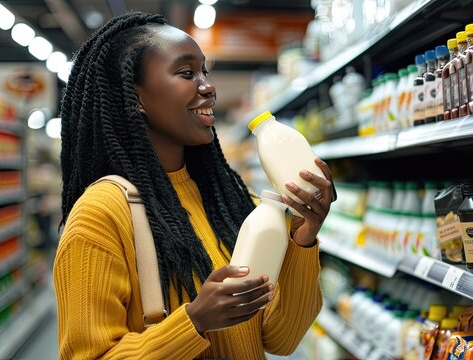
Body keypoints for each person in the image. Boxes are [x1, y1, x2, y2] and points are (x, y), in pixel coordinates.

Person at [53, 12, 334, 360]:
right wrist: (194, 323)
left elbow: (279, 339)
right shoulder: (100, 217)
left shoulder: (228, 200)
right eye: (187, 73)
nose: (208, 86)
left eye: (205, 71)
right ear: (135, 96)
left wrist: (305, 236)